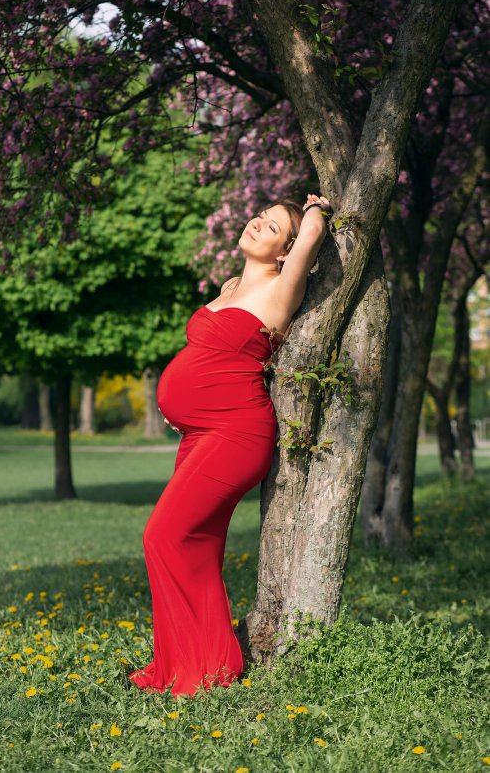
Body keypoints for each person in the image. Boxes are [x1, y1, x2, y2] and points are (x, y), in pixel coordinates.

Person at [126, 193, 332, 699]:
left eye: (271, 226)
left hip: (236, 433)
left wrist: (314, 209)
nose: (257, 224)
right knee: (195, 547)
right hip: (200, 433)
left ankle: (209, 666)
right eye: (259, 217)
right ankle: (192, 665)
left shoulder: (284, 288)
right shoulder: (230, 287)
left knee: (162, 536)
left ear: (285, 251)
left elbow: (310, 236)